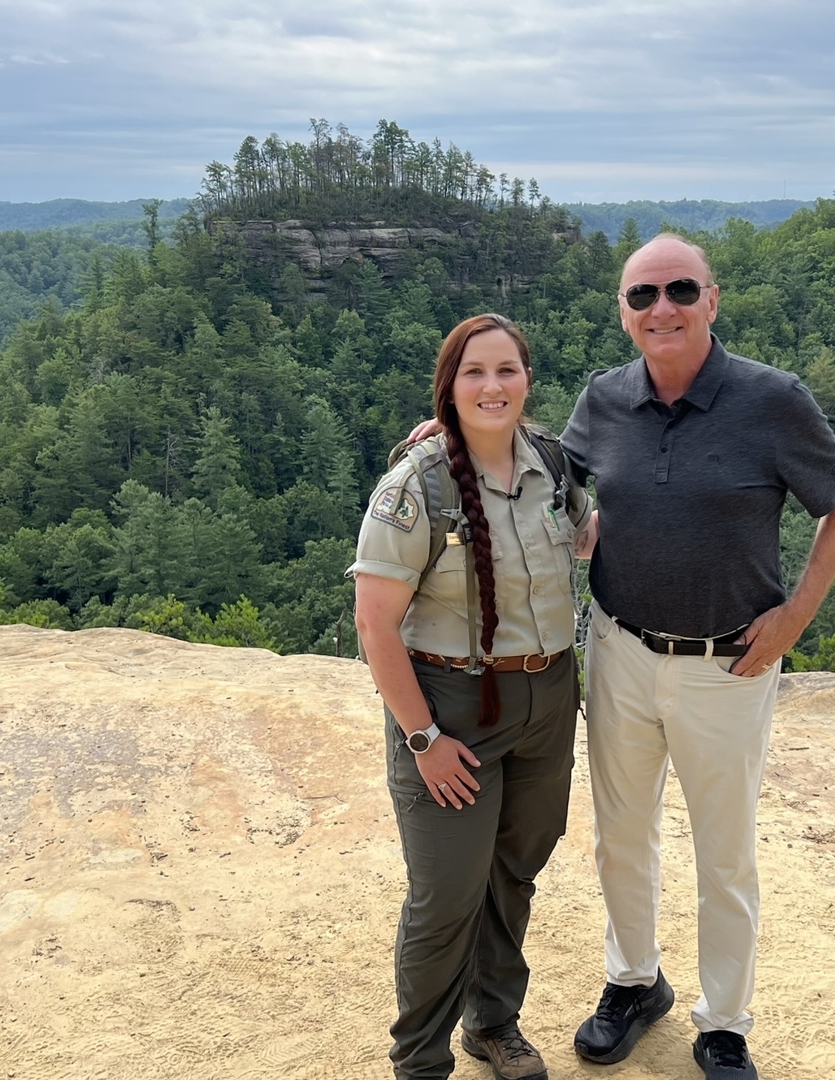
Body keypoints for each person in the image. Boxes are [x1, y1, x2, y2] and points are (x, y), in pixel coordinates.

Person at [564, 234, 835, 1080]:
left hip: (728, 662)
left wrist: (795, 617)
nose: (662, 307)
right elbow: (553, 471)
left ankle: (724, 1021)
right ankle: (634, 981)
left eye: (681, 290)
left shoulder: (772, 400)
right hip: (621, 647)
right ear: (623, 314)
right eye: (642, 295)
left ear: (713, 300)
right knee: (620, 836)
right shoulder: (605, 398)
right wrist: (452, 426)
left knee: (723, 849)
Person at [351, 313, 597, 1080]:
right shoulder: (418, 486)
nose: (493, 387)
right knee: (447, 895)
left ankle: (492, 1025)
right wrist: (422, 738)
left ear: (527, 379)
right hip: (451, 707)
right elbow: (374, 624)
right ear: (449, 386)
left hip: (547, 698)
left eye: (507, 371)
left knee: (514, 872)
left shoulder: (553, 466)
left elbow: (589, 536)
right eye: (475, 373)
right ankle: (419, 1062)